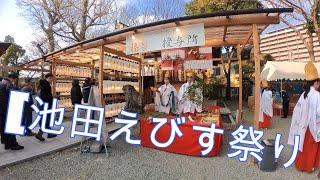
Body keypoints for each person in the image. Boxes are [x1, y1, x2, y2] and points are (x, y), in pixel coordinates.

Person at [288, 62, 320, 173]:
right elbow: (318, 112)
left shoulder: (304, 94)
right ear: (316, 82)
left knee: (303, 145)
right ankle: (309, 166)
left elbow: (297, 110)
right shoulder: (316, 95)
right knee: (312, 147)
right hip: (313, 126)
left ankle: (301, 165)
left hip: (304, 126)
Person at [0, 73, 24, 150]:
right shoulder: (8, 83)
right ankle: (13, 145)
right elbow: (13, 94)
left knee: (4, 127)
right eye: (14, 79)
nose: (14, 81)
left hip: (2, 109)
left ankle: (7, 144)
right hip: (8, 108)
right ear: (12, 78)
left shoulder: (1, 82)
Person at [35, 73, 57, 141]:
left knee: (47, 119)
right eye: (51, 78)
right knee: (46, 118)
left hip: (43, 105)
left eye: (52, 78)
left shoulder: (43, 85)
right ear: (47, 78)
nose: (51, 80)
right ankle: (40, 133)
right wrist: (50, 100)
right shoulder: (45, 85)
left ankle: (49, 133)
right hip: (45, 105)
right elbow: (44, 96)